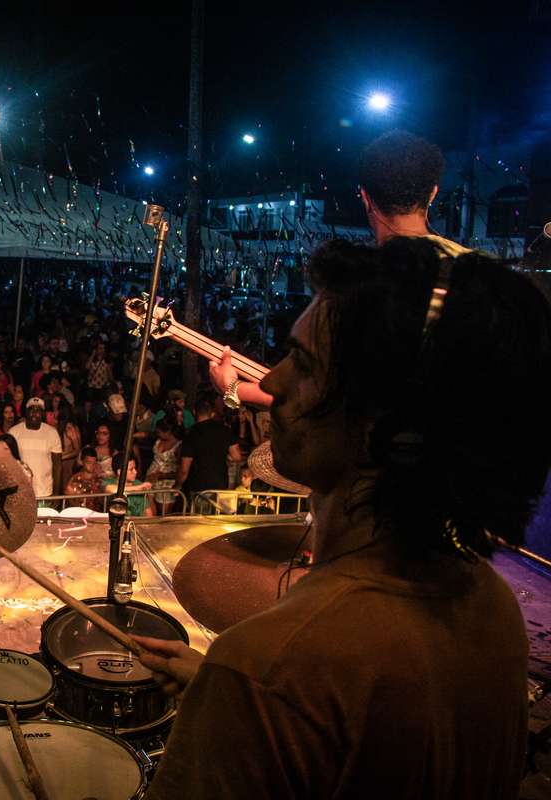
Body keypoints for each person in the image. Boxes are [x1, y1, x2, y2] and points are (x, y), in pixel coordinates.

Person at [134, 238, 551, 798]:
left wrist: (244, 695)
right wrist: (227, 689)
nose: (272, 384)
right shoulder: (493, 609)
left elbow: (297, 686)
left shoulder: (272, 668)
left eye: (305, 364)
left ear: (391, 426)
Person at [214, 130, 466, 410]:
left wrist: (232, 388)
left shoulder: (354, 285)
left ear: (365, 197)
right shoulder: (481, 274)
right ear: (432, 193)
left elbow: (309, 395)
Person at [8, 397, 62, 500]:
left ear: (43, 414)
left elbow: (57, 463)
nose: (34, 414)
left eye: (38, 411)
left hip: (45, 491)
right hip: (20, 491)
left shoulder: (52, 433)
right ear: (26, 412)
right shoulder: (14, 432)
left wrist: (57, 491)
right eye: (31, 410)